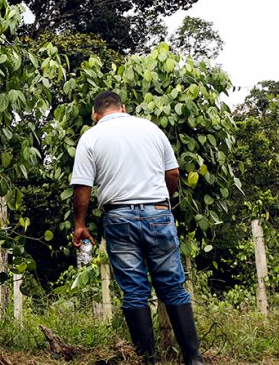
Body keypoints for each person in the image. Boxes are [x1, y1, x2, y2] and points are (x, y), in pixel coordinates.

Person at [70, 91, 203, 365]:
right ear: (124, 108)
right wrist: (160, 203)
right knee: (173, 287)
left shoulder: (91, 137)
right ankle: (194, 360)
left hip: (119, 217)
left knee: (134, 291)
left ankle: (148, 361)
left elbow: (83, 186)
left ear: (95, 114)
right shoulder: (151, 129)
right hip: (158, 212)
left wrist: (80, 225)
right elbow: (174, 174)